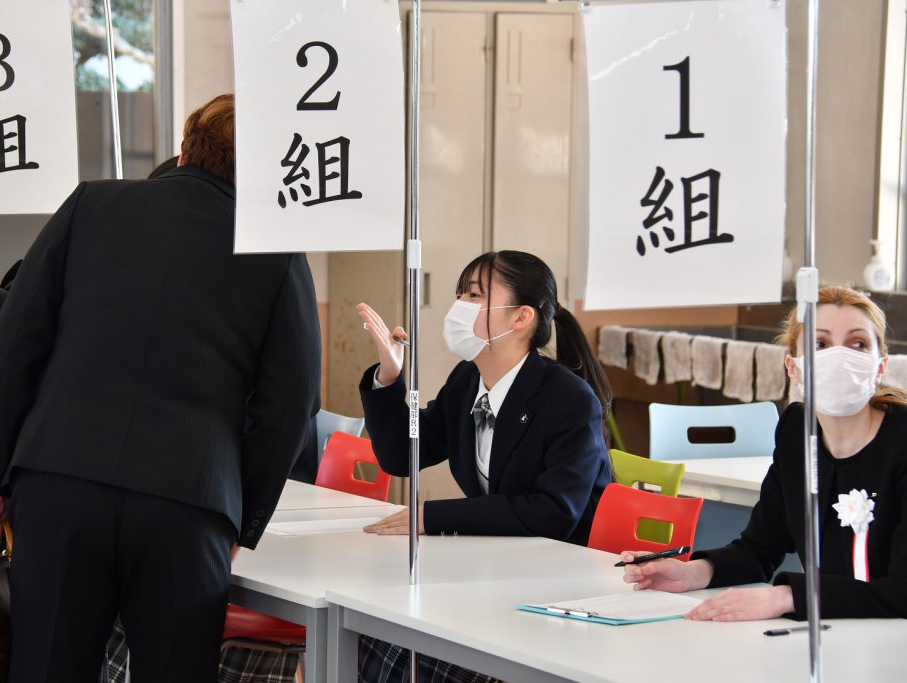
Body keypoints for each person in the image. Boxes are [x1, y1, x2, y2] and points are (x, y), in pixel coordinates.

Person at [0, 93, 321, 681]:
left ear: (186, 148)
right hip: (189, 506)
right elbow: (290, 406)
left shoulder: (91, 205)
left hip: (60, 483)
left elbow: (16, 341)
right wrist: (242, 516)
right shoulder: (277, 254)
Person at [357, 250, 613, 682]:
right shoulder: (465, 381)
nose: (459, 306)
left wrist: (434, 517)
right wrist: (390, 376)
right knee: (380, 630)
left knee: (418, 650)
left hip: (562, 583)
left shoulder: (568, 399)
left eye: (474, 295)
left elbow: (553, 512)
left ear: (521, 317)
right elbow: (403, 452)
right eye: (460, 294)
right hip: (500, 571)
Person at [621, 285, 907, 621]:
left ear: (880, 365)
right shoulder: (796, 431)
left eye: (858, 344)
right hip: (837, 632)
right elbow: (761, 547)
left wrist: (786, 597)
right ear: (792, 367)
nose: (839, 357)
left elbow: (901, 591)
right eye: (819, 344)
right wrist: (693, 573)